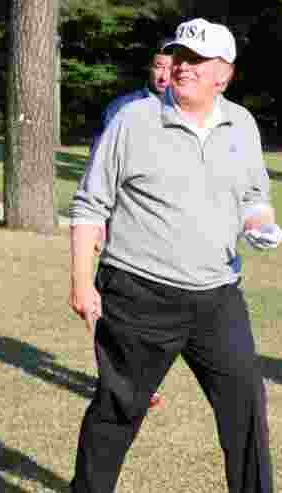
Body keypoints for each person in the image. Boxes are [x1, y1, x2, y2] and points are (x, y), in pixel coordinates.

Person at [65, 18, 282, 493]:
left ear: (223, 75)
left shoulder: (242, 125)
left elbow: (255, 193)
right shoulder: (133, 120)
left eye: (195, 60)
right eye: (178, 55)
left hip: (217, 295)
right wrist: (82, 282)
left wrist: (260, 222)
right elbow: (90, 205)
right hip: (137, 291)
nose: (182, 66)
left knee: (246, 409)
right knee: (120, 405)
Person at [93, 40, 174, 409]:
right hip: (122, 226)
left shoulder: (188, 112)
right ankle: (119, 378)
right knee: (120, 308)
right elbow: (99, 172)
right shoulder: (123, 109)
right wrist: (99, 221)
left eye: (170, 67)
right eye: (158, 65)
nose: (163, 74)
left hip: (164, 231)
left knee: (159, 308)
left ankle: (143, 378)